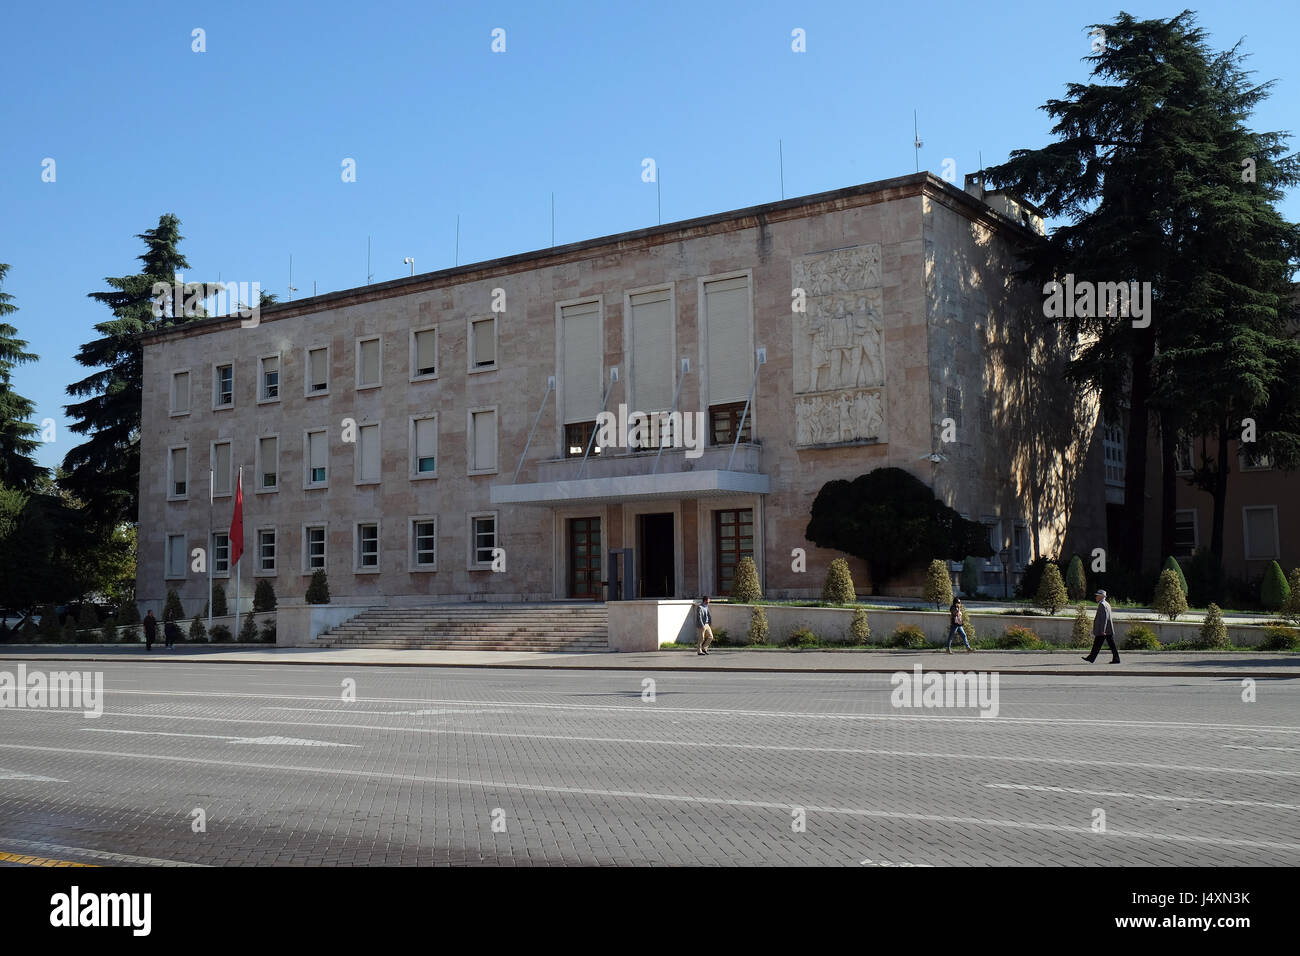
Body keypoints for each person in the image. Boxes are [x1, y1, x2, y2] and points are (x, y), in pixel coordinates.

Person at [1083, 589, 1121, 664]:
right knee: (1103, 644)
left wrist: (1102, 630)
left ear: (1101, 596)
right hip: (1107, 629)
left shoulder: (1102, 605)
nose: (1096, 597)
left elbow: (1104, 618)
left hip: (1104, 630)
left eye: (1097, 596)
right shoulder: (1107, 604)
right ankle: (1091, 658)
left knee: (1098, 643)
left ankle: (1091, 658)